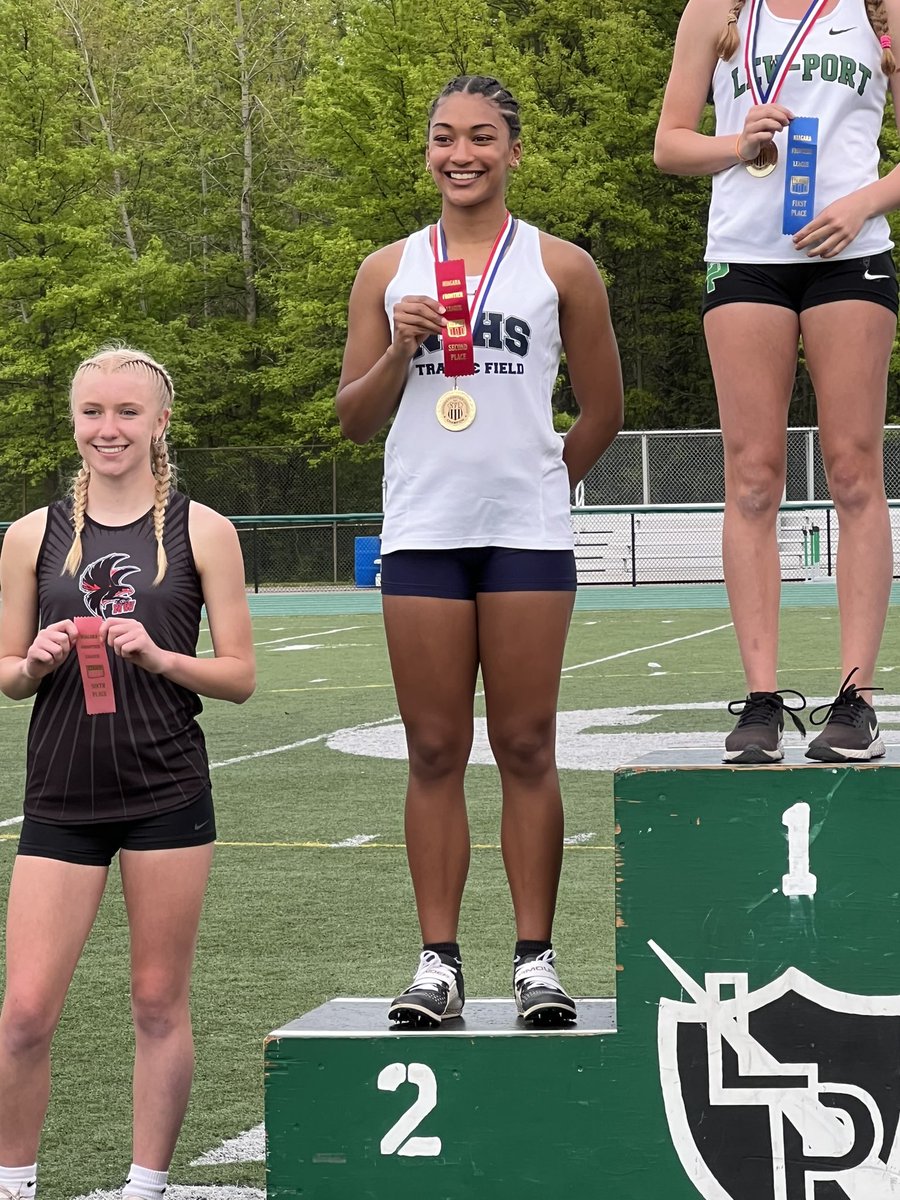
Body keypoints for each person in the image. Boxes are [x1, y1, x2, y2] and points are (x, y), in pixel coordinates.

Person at [336, 75, 623, 1027]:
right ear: (426, 151)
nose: (462, 153)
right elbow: (353, 419)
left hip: (525, 539)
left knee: (528, 743)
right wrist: (397, 351)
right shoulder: (386, 270)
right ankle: (439, 963)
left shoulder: (561, 266)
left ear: (513, 150)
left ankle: (537, 960)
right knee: (432, 749)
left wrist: (542, 482)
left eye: (483, 136)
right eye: (444, 137)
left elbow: (604, 408)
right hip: (423, 532)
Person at [0, 347, 255, 1199]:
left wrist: (160, 657)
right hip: (60, 794)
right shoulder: (30, 535)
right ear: (74, 421)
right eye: (92, 412)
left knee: (156, 1002)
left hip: (166, 792)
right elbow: (6, 673)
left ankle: (144, 1187)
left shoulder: (204, 530)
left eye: (126, 412)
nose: (107, 429)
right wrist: (31, 663)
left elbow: (239, 677)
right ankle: (13, 1185)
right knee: (24, 1014)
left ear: (160, 423)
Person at [655, 0, 899, 764]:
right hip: (746, 258)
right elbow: (669, 144)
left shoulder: (882, 10)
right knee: (753, 478)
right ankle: (761, 700)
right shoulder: (716, 10)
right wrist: (737, 144)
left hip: (850, 257)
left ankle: (856, 701)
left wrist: (863, 203)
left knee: (853, 470)